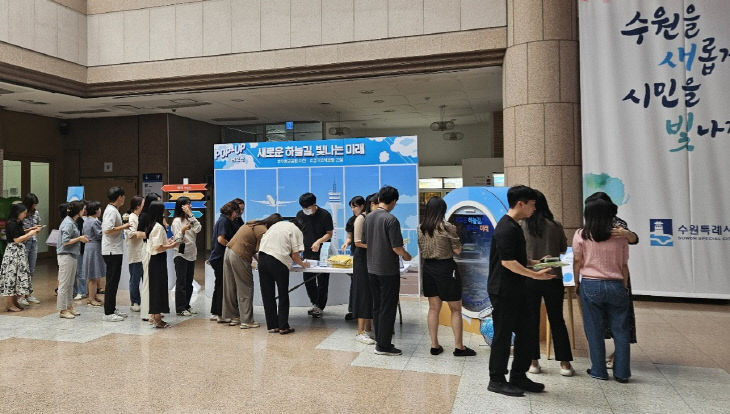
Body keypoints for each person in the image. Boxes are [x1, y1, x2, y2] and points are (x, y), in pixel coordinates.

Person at [486, 185, 553, 397]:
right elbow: (507, 263)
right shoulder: (506, 228)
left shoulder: (515, 226)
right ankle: (496, 379)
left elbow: (517, 259)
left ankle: (518, 376)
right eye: (532, 204)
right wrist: (535, 275)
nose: (534, 208)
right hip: (503, 290)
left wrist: (536, 263)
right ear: (521, 203)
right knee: (503, 336)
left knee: (526, 333)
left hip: (517, 289)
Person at [574, 198, 631, 383]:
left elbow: (577, 261)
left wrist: (576, 282)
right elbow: (623, 264)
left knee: (594, 329)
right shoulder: (620, 237)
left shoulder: (581, 234)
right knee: (621, 330)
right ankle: (622, 373)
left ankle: (598, 370)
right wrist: (624, 286)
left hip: (590, 284)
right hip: (616, 283)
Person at [520, 190, 574, 376]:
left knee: (531, 320)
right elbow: (561, 248)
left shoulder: (522, 226)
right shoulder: (555, 226)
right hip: (553, 277)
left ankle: (533, 362)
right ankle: (565, 364)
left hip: (529, 277)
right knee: (557, 319)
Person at [584, 191, 638, 368]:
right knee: (614, 321)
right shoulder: (591, 224)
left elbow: (633, 239)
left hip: (612, 275)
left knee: (619, 321)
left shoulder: (617, 224)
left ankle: (613, 359)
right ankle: (619, 366)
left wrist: (626, 234)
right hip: (612, 275)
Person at [418, 196, 476, 357]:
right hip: (446, 268)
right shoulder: (447, 227)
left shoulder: (420, 227)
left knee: (433, 308)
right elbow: (457, 251)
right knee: (455, 309)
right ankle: (459, 347)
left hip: (428, 268)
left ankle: (434, 345)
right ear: (442, 210)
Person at [362, 186, 413, 356]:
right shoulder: (391, 220)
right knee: (388, 307)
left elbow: (366, 242)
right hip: (387, 271)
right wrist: (407, 256)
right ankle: (383, 346)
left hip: (371, 268)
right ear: (393, 201)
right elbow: (397, 247)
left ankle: (379, 339)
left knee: (377, 306)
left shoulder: (368, 218)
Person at [223, 214, 283, 328]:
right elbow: (264, 251)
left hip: (229, 252)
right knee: (245, 287)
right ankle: (247, 321)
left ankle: (234, 317)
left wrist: (259, 261)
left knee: (231, 287)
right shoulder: (263, 230)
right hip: (240, 255)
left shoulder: (254, 223)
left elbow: (253, 249)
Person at [257, 218, 310, 334]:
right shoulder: (296, 230)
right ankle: (283, 326)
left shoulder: (277, 225)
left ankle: (272, 325)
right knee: (283, 294)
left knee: (268, 294)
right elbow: (295, 256)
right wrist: (304, 264)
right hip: (277, 262)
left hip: (261, 259)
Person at [295, 192, 333, 319]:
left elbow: (329, 233)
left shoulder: (325, 215)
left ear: (314, 205)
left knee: (322, 281)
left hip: (322, 252)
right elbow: (299, 232)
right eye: (303, 208)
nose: (305, 210)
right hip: (306, 252)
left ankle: (320, 306)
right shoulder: (300, 215)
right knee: (308, 279)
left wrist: (318, 241)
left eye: (307, 208)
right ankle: (315, 303)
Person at [1, 204, 41, 312]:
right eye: (23, 213)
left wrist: (31, 229)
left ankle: (14, 302)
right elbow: (17, 239)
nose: (25, 215)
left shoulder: (18, 223)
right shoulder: (11, 223)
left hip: (19, 252)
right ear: (18, 213)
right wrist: (31, 234)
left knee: (18, 277)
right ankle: (9, 304)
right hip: (13, 252)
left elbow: (21, 233)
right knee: (12, 277)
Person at [144, 201, 177, 328]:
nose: (165, 213)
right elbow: (158, 247)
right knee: (158, 288)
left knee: (155, 287)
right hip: (158, 260)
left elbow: (157, 244)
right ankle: (158, 319)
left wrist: (167, 242)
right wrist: (172, 245)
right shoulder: (158, 227)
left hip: (155, 260)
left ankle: (153, 316)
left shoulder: (153, 225)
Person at [351, 193, 378, 344]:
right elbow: (358, 242)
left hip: (371, 259)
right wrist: (377, 246)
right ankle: (360, 331)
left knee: (370, 294)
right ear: (372, 204)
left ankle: (368, 328)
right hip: (362, 260)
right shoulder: (361, 218)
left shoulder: (373, 217)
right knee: (363, 294)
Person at [101, 186, 131, 322]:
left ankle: (112, 309)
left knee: (114, 282)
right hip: (111, 251)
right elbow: (107, 230)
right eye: (123, 196)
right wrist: (124, 227)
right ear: (119, 197)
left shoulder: (113, 210)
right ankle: (108, 313)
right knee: (112, 282)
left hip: (115, 250)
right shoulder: (111, 211)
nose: (124, 199)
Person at [56, 201, 88, 319]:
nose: (84, 211)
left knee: (70, 284)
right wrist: (80, 238)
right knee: (64, 284)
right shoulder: (68, 223)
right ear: (78, 211)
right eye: (82, 209)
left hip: (72, 255)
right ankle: (62, 309)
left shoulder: (72, 222)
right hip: (66, 255)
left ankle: (69, 307)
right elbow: (65, 241)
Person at [209, 201, 239, 322]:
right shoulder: (225, 221)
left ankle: (216, 312)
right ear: (231, 211)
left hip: (218, 257)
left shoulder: (222, 220)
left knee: (220, 285)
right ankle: (220, 313)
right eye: (236, 212)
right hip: (220, 257)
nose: (236, 215)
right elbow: (221, 239)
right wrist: (233, 247)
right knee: (222, 286)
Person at [171, 197, 201, 316]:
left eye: (190, 204)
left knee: (189, 282)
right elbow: (178, 239)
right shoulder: (177, 221)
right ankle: (180, 308)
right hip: (181, 254)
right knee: (181, 282)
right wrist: (183, 230)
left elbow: (198, 229)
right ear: (182, 206)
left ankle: (187, 305)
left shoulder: (191, 219)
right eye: (188, 205)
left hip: (191, 253)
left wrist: (190, 214)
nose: (191, 206)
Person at [342, 196, 364, 321]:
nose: (353, 209)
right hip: (356, 254)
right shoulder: (351, 221)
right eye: (351, 207)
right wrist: (347, 242)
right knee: (354, 284)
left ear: (362, 206)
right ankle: (353, 310)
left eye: (355, 206)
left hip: (367, 254)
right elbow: (350, 237)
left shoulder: (368, 218)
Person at [139, 193, 161, 320]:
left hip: (156, 250)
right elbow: (137, 233)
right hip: (147, 249)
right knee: (147, 280)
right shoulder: (144, 216)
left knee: (155, 282)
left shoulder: (156, 217)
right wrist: (150, 234)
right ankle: (146, 311)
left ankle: (154, 311)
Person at [125, 196, 146, 312]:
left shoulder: (139, 217)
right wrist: (146, 233)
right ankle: (135, 302)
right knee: (135, 279)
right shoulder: (131, 218)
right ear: (138, 206)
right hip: (135, 254)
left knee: (143, 278)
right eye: (143, 204)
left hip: (141, 252)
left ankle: (143, 301)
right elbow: (131, 234)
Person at [21, 193, 42, 306]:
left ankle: (29, 294)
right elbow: (19, 230)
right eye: (33, 204)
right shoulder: (21, 213)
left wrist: (38, 229)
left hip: (33, 242)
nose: (35, 207)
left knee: (31, 269)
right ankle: (21, 295)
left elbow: (38, 224)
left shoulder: (36, 213)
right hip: (24, 243)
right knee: (23, 270)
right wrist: (31, 229)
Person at [82, 202, 106, 307]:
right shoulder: (95, 222)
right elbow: (100, 234)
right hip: (94, 248)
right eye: (99, 209)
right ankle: (91, 299)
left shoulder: (86, 220)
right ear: (96, 210)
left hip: (89, 247)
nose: (101, 211)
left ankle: (93, 296)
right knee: (93, 275)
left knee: (93, 274)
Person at [73, 200, 88, 300]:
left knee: (80, 271)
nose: (85, 211)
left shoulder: (82, 221)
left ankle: (82, 291)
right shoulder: (72, 220)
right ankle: (74, 290)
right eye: (83, 209)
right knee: (74, 272)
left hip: (80, 249)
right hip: (73, 249)